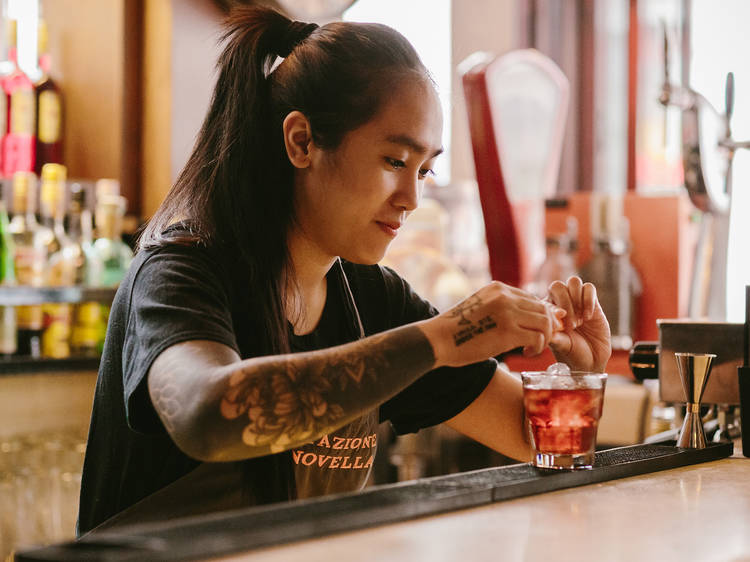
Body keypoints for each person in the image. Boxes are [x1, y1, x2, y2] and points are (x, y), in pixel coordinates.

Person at [77, 5, 611, 535]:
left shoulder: (371, 298)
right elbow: (208, 415)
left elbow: (535, 436)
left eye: (425, 169)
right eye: (395, 162)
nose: (411, 198)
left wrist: (578, 375)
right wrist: (441, 336)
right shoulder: (182, 270)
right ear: (302, 141)